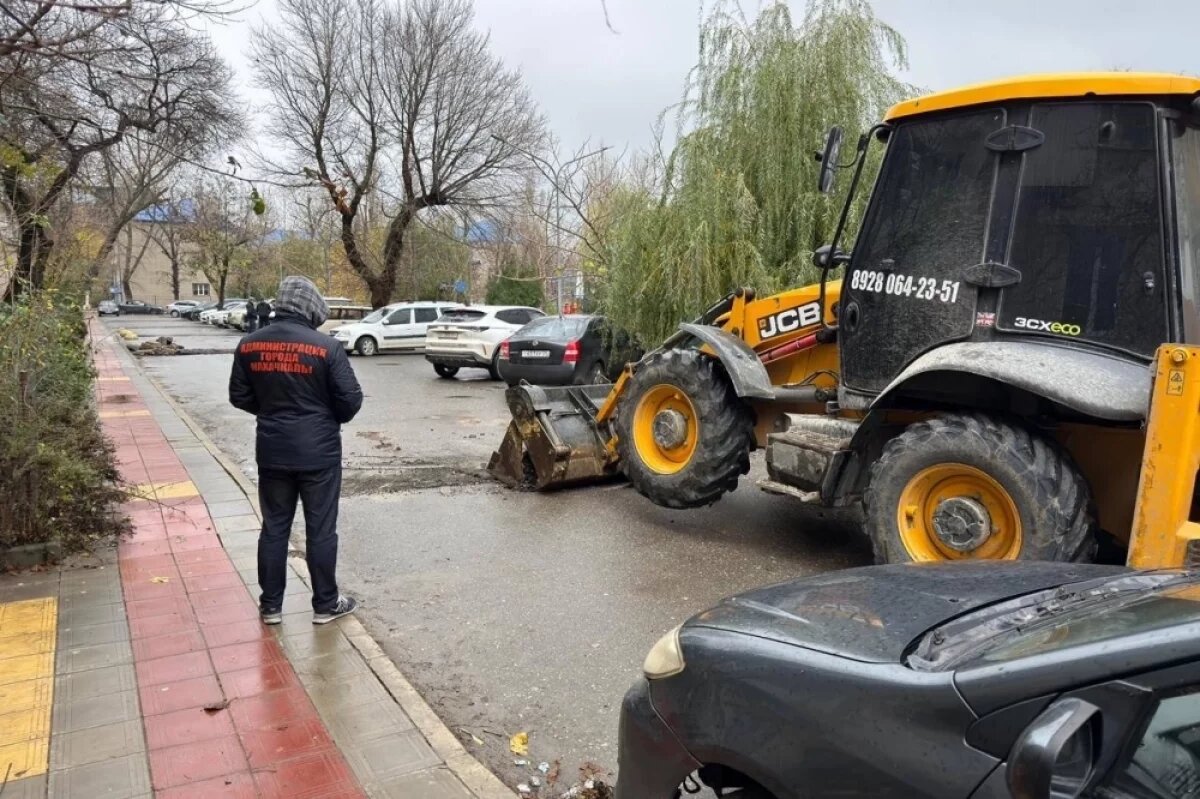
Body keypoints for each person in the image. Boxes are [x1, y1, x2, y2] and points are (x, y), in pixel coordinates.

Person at [229, 275, 363, 625]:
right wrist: (320, 417)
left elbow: (239, 396)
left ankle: (271, 606)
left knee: (274, 527)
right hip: (319, 454)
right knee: (321, 529)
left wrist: (273, 412)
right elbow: (350, 401)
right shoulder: (326, 347)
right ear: (310, 308)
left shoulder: (249, 345)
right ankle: (325, 604)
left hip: (273, 450)